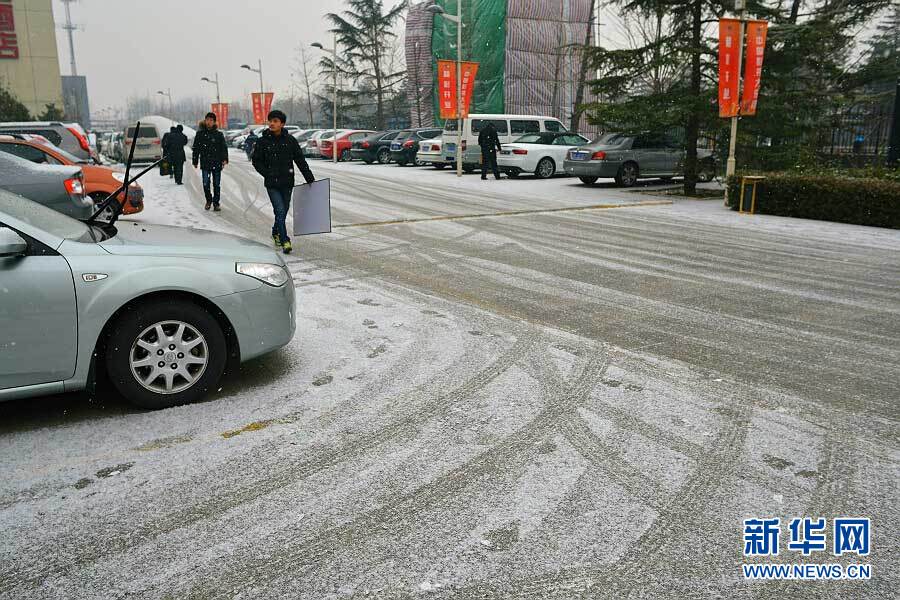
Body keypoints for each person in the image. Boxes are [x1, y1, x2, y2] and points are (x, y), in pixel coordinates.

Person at [251, 109, 315, 254]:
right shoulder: (262, 141)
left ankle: (275, 232)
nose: (272, 124)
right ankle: (285, 240)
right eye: (270, 121)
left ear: (282, 124)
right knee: (279, 210)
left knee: (283, 211)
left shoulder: (290, 141)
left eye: (275, 121)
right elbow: (256, 161)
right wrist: (267, 173)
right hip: (272, 184)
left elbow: (300, 160)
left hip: (287, 182)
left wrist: (309, 177)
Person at [192, 112, 228, 211]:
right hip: (205, 162)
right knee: (205, 183)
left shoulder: (219, 134)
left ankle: (216, 203)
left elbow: (223, 148)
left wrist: (224, 159)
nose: (209, 122)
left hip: (216, 162)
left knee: (216, 184)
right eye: (207, 119)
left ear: (214, 122)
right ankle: (208, 200)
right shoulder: (200, 134)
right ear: (205, 120)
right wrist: (195, 161)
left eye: (211, 120)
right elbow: (196, 148)